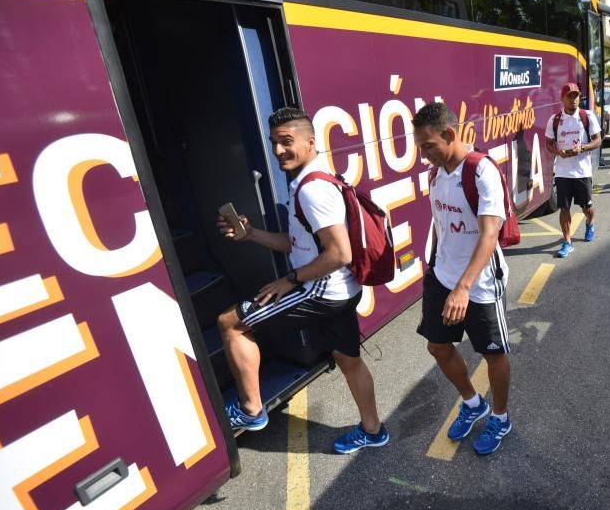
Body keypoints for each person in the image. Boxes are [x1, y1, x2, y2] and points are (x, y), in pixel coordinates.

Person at [216, 107, 388, 454]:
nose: (279, 151)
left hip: (322, 290)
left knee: (230, 323)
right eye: (274, 143)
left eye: (286, 142)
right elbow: (297, 243)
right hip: (342, 289)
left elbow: (339, 253)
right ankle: (373, 431)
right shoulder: (319, 178)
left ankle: (251, 411)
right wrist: (251, 235)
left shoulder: (312, 190)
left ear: (310, 141)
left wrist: (290, 280)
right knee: (348, 360)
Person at [413, 102, 513, 455]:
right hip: (443, 276)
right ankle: (473, 404)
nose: (423, 155)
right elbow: (441, 226)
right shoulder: (435, 174)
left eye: (428, 146)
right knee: (437, 346)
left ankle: (500, 418)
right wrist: (436, 270)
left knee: (494, 353)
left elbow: (489, 234)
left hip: (480, 282)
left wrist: (464, 287)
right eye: (420, 147)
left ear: (450, 135)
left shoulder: (481, 171)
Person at [544, 82, 602, 258]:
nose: (573, 100)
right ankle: (567, 241)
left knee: (587, 207)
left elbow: (598, 140)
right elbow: (547, 144)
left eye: (576, 96)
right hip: (562, 172)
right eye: (569, 96)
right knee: (564, 207)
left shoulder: (587, 116)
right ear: (562, 98)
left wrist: (583, 148)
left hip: (582, 171)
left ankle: (590, 222)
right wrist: (558, 152)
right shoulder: (554, 120)